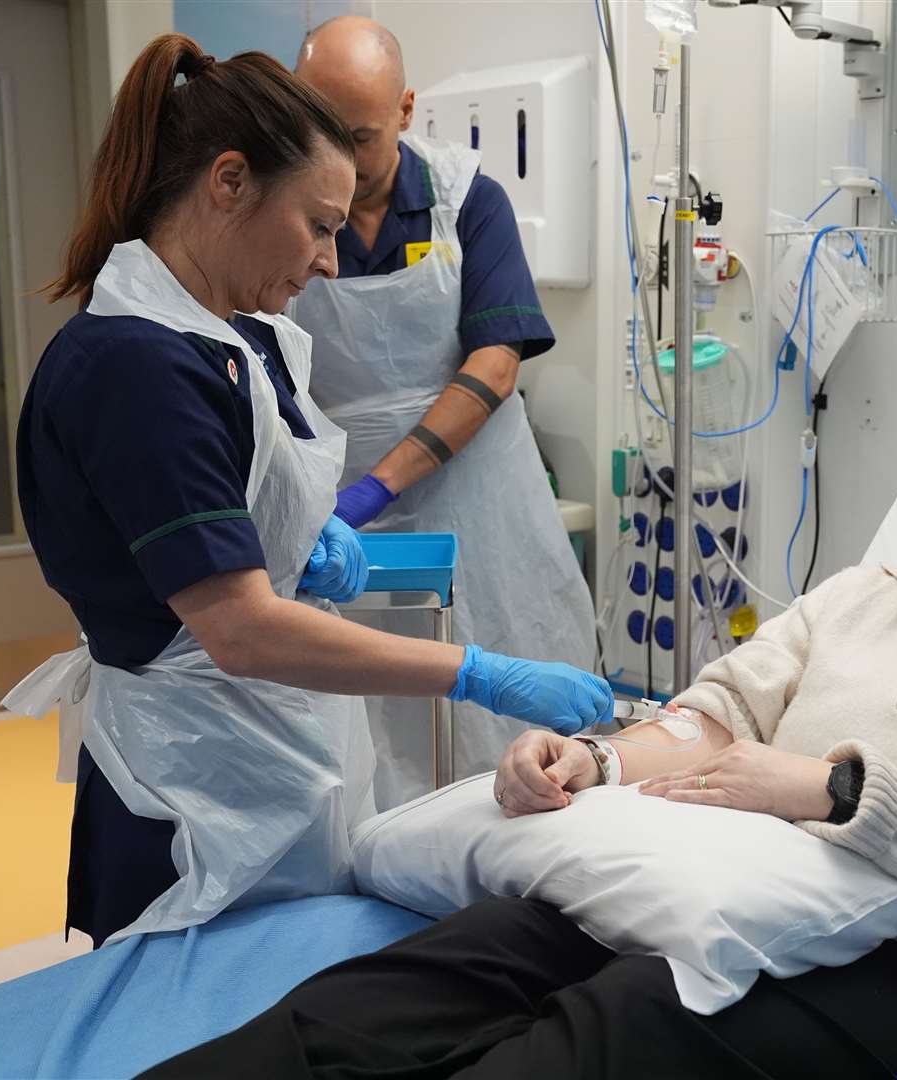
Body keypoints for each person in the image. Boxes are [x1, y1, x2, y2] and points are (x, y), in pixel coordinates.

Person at [145, 365, 897, 1079]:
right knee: (419, 984)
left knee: (601, 1039)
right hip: (724, 894)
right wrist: (593, 762)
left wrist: (834, 792)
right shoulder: (870, 595)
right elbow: (718, 715)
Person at [6, 33, 611, 950]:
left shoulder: (233, 335)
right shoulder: (134, 365)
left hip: (280, 754)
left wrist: (306, 541)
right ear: (229, 181)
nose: (331, 263)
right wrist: (478, 673)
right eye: (318, 225)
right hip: (195, 791)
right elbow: (241, 629)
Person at [291, 17, 596, 806]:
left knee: (510, 690)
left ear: (405, 110)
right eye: (316, 128)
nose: (339, 158)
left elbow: (492, 367)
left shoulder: (468, 203)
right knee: (373, 725)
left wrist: (376, 489)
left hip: (478, 501)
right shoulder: (288, 210)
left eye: (358, 135)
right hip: (337, 520)